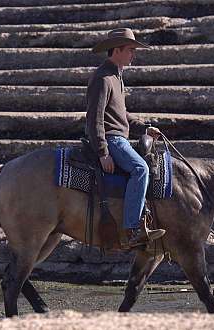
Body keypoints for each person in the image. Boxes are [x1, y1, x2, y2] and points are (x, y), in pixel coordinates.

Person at [85, 28, 166, 248]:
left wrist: (144, 128)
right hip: (113, 140)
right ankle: (132, 229)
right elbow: (95, 118)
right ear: (117, 50)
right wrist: (103, 152)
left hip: (120, 137)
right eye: (131, 50)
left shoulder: (116, 77)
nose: (134, 55)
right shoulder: (103, 78)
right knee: (141, 169)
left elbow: (122, 115)